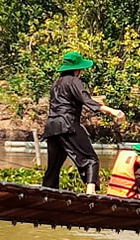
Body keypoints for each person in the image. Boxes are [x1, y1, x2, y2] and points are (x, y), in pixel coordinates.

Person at [41, 51, 125, 191]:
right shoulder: (74, 81)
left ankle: (47, 193)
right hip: (67, 124)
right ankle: (91, 195)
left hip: (51, 127)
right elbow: (87, 100)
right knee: (91, 160)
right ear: (77, 69)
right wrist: (113, 111)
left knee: (53, 167)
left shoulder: (56, 83)